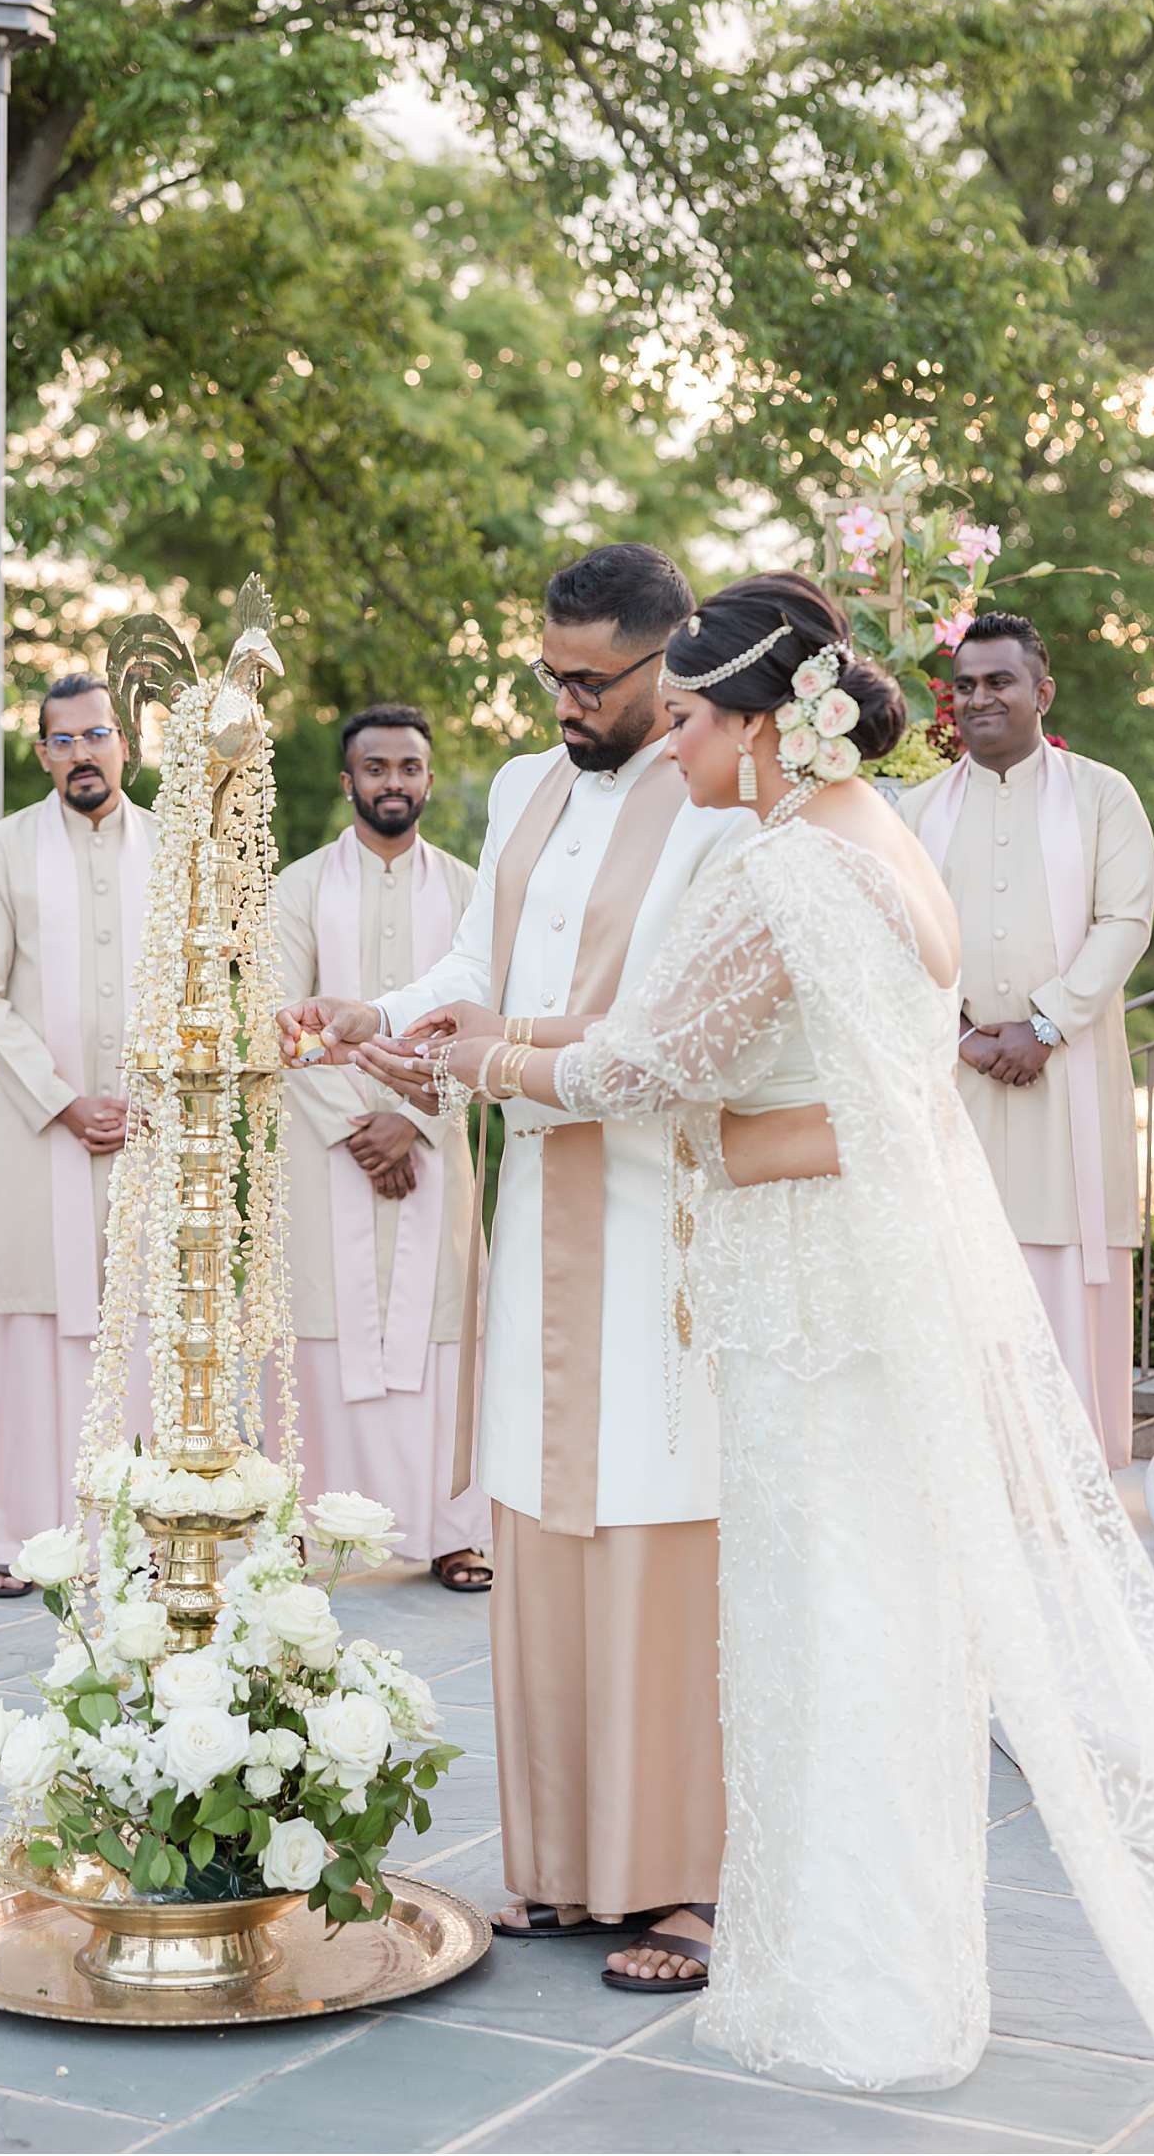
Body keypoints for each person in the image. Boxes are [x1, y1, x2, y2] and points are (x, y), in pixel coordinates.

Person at [385, 574, 1154, 2137]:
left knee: (823, 1632)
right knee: (863, 1632)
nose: (681, 749)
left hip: (805, 1289)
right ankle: (868, 1974)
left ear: (768, 726)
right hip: (852, 1275)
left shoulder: (786, 871)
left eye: (700, 720)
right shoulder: (879, 841)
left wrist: (473, 1055)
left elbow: (649, 1062)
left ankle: (847, 1994)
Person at [279, 543, 742, 1982]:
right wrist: (381, 1009)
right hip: (539, 1190)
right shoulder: (525, 787)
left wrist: (492, 1059)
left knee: (659, 1513)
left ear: (666, 658)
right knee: (540, 1505)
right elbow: (477, 959)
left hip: (664, 1206)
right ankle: (562, 1861)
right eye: (546, 673)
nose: (562, 701)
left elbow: (679, 1024)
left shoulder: (725, 800)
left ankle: (685, 1876)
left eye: (588, 679)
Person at [899, 615, 1154, 1469]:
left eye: (999, 681)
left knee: (1061, 1269)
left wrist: (1047, 1022)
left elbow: (1126, 920)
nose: (980, 698)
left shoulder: (1101, 794)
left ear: (1041, 692)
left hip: (1068, 1082)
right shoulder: (918, 809)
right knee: (958, 1271)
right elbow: (896, 943)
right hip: (957, 1087)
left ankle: (1073, 1480)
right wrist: (964, 1038)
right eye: (966, 684)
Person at [0, 674, 157, 1595]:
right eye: (61, 740)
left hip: (150, 1132)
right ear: (41, 754)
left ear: (125, 743)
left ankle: (144, 1528)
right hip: (42, 1135)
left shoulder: (173, 847)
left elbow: (202, 984)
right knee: (30, 1328)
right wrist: (64, 1100)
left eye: (96, 735)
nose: (81, 753)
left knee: (143, 1321)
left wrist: (150, 1096)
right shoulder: (5, 847)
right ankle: (18, 1532)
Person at [267, 704, 489, 1587]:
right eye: (376, 767)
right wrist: (355, 1125)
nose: (393, 781)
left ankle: (451, 1530)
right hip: (326, 1153)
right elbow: (278, 1020)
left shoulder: (473, 890)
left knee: (444, 1329)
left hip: (438, 1138)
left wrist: (420, 1120)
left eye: (408, 767)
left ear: (429, 780)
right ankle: (301, 1522)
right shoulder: (299, 888)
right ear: (348, 779)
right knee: (318, 1325)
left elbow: (486, 1016)